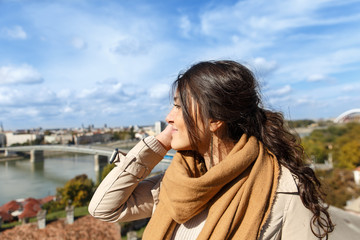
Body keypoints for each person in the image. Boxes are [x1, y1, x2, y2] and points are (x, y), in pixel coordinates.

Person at [88, 60, 334, 239]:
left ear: (215, 120)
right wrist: (160, 143)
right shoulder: (179, 183)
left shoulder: (285, 192)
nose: (168, 117)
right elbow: (104, 208)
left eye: (178, 108)